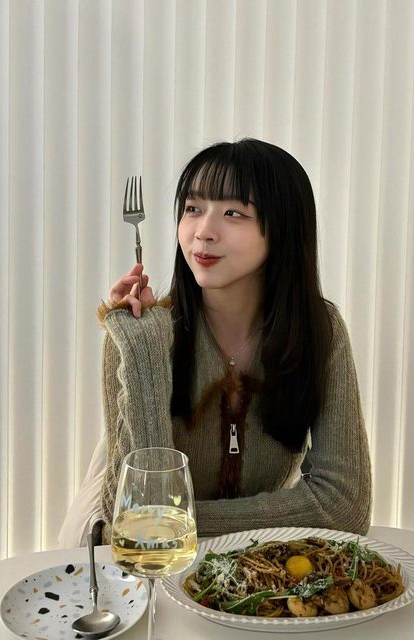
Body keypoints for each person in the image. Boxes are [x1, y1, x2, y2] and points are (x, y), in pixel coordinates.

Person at [58, 138, 371, 548]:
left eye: (233, 213)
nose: (203, 232)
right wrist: (142, 352)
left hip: (245, 562)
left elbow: (344, 506)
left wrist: (177, 521)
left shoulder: (319, 331)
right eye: (192, 208)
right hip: (128, 561)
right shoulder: (141, 332)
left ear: (283, 228)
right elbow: (136, 520)